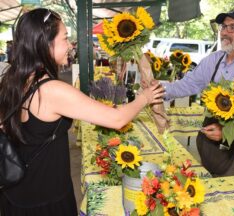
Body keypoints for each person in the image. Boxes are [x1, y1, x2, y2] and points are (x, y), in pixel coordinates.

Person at [0, 8, 163, 216]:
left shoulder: (12, 80)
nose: (70, 46)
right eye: (65, 38)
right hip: (45, 199)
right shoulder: (51, 90)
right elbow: (117, 119)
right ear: (44, 44)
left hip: (15, 195)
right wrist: (145, 97)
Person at [162, 7, 234, 177]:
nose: (224, 33)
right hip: (206, 144)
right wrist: (156, 89)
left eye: (233, 27)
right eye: (223, 26)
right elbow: (186, 85)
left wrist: (229, 132)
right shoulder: (213, 60)